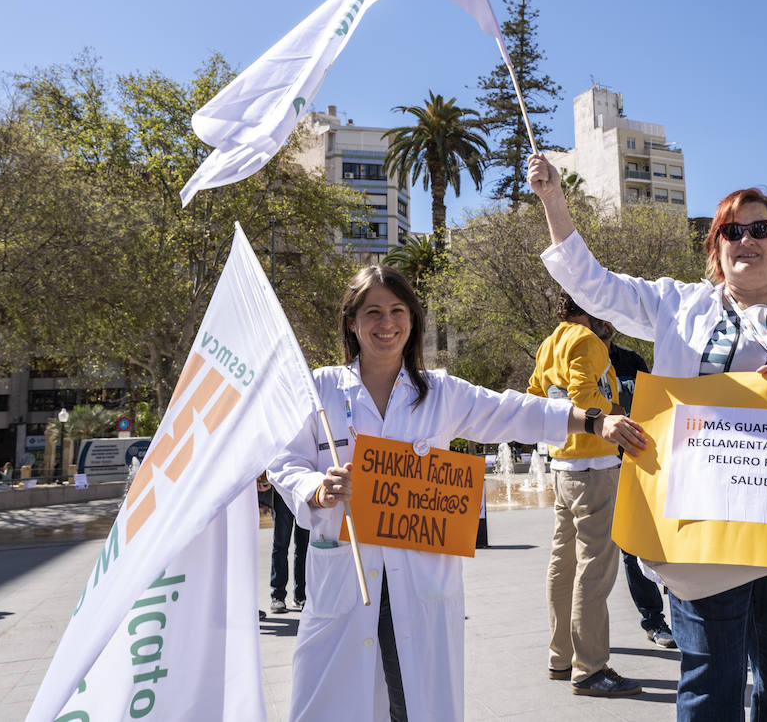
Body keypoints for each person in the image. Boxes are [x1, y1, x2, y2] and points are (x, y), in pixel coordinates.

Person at [528, 154, 767, 722]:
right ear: (715, 248)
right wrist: (554, 202)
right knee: (709, 682)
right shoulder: (678, 307)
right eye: (732, 231)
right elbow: (593, 285)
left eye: (760, 229)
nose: (747, 240)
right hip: (703, 529)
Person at [266, 264, 646, 722]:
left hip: (420, 581)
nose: (387, 323)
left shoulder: (440, 393)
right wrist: (316, 488)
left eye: (397, 311)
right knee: (334, 706)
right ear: (352, 322)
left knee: (414, 705)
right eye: (373, 313)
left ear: (412, 319)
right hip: (346, 576)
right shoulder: (320, 388)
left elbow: (512, 410)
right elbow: (284, 460)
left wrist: (591, 421)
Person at [529, 296, 644, 697]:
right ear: (589, 307)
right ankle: (590, 669)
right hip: (594, 465)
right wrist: (617, 411)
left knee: (563, 564)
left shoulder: (549, 344)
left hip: (564, 464)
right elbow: (582, 397)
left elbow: (535, 396)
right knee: (594, 570)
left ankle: (560, 658)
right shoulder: (587, 340)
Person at [593, 318, 677, 649]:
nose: (604, 323)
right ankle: (651, 620)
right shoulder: (579, 359)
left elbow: (652, 405)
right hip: (598, 466)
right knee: (619, 551)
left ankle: (667, 617)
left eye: (606, 317)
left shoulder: (631, 359)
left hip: (640, 461)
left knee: (649, 544)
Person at [270, 484, 309, 613]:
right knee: (281, 545)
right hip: (283, 489)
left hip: (304, 491)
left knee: (304, 546)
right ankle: (277, 596)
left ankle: (301, 595)